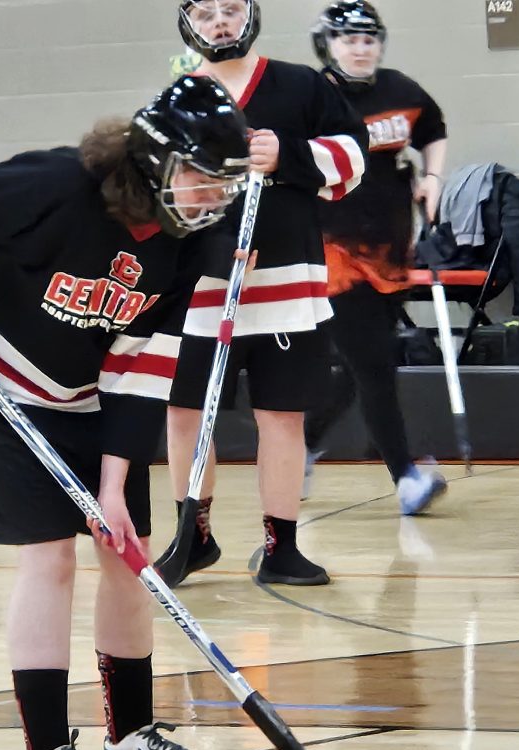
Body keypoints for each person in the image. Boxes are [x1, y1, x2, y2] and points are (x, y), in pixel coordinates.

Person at [0, 76, 252, 750]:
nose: (211, 198)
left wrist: (113, 483)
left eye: (222, 186)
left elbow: (143, 360)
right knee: (53, 558)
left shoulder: (190, 240)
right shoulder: (59, 183)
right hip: (3, 380)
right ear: (156, 162)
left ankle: (128, 735)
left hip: (96, 397)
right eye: (201, 179)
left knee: (125, 556)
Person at [165, 0, 368, 586]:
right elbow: (155, 193)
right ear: (188, 25)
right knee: (186, 414)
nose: (220, 22)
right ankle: (193, 536)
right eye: (206, 15)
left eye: (230, 9)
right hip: (204, 291)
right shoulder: (179, 100)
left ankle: (282, 546)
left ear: (250, 14)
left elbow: (354, 157)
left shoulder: (301, 85)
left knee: (281, 416)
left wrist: (290, 156)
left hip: (287, 287)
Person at [302, 1, 449, 513]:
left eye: (368, 39)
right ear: (328, 45)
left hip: (389, 247)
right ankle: (406, 476)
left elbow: (433, 130)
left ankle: (303, 440)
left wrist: (432, 178)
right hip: (333, 250)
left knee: (360, 362)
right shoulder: (311, 97)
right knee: (375, 364)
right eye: (348, 39)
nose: (360, 48)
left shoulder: (402, 91)